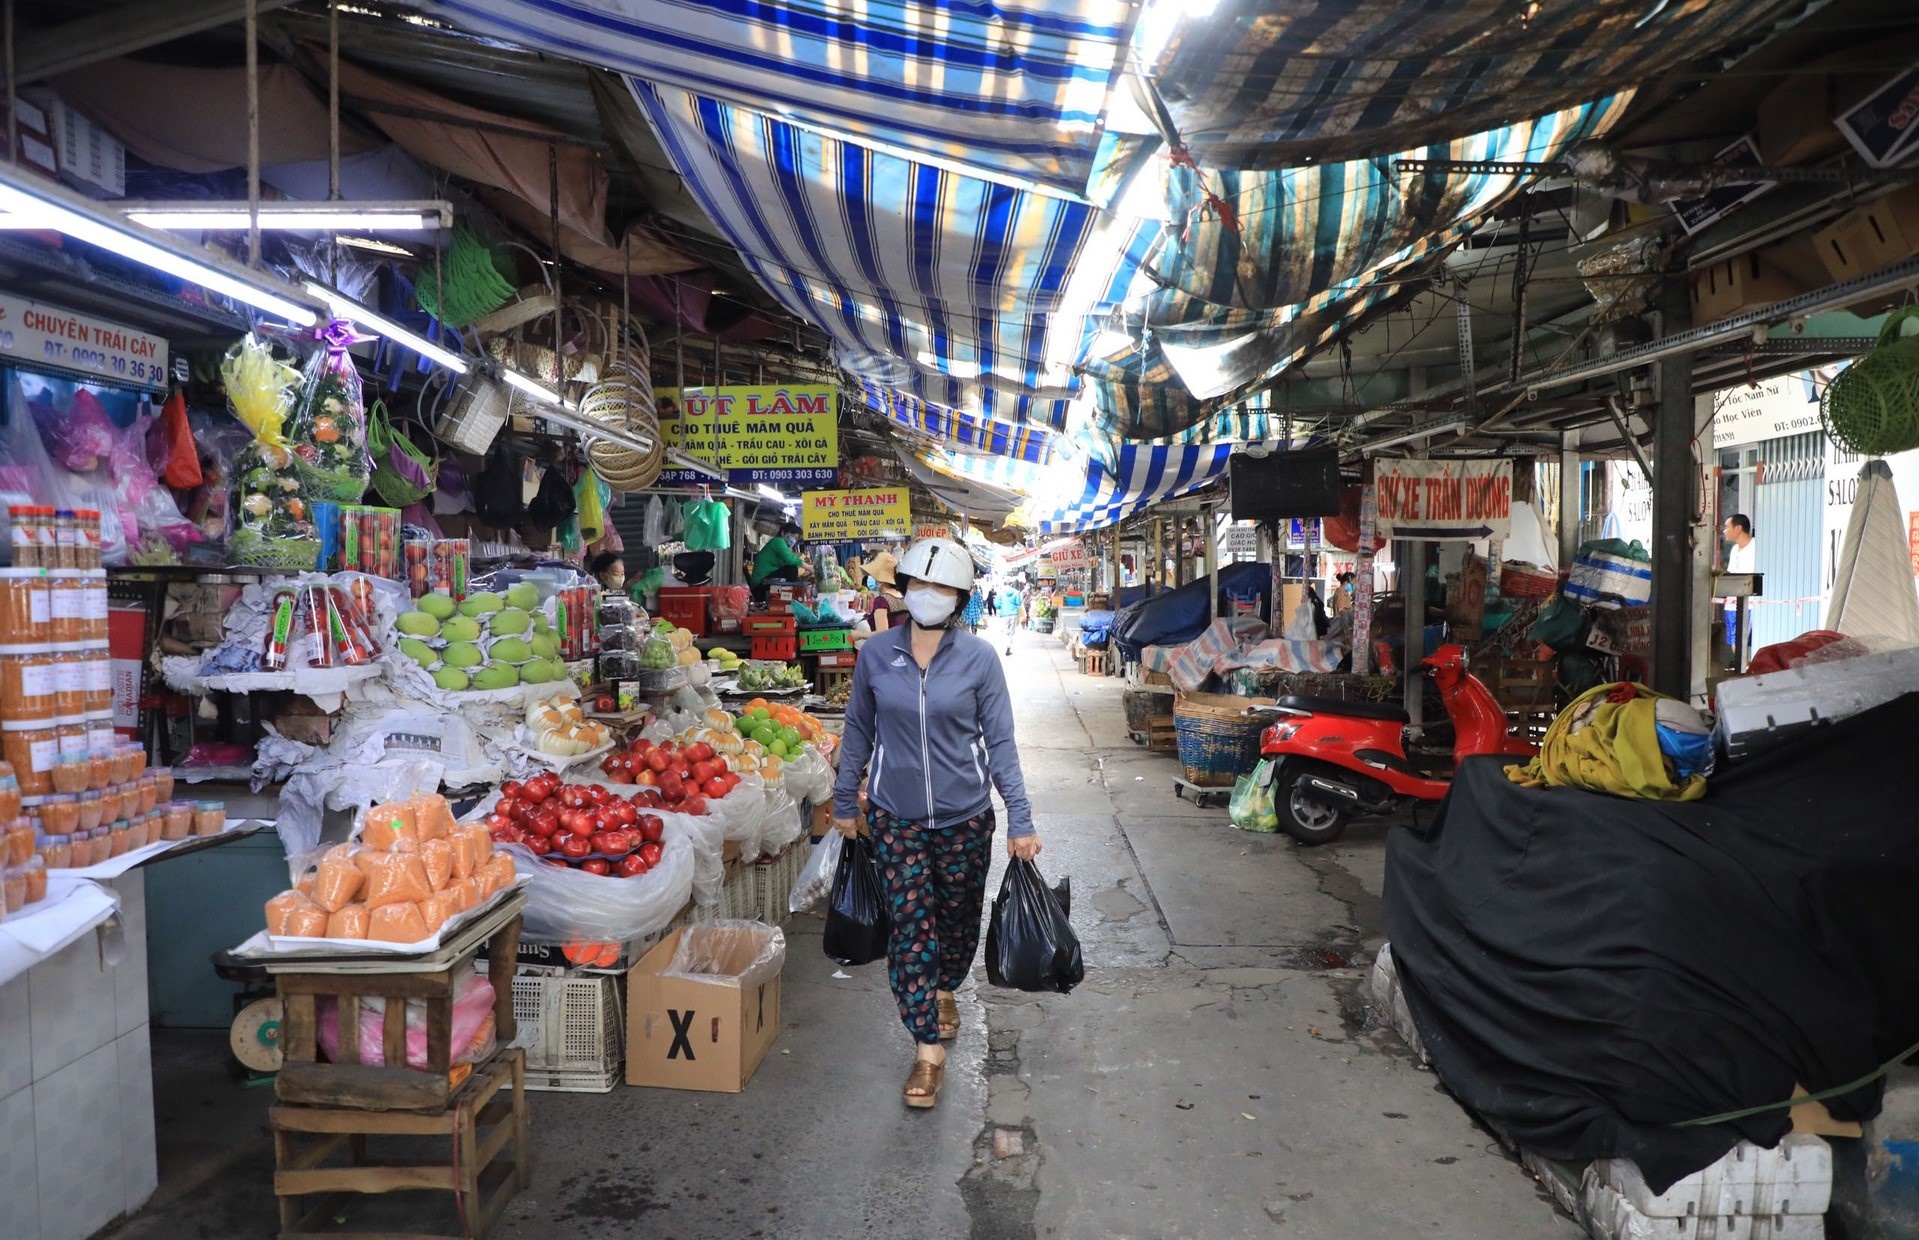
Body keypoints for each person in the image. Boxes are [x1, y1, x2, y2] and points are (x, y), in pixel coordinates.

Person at [830, 537, 1040, 1110]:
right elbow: (857, 733)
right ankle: (927, 1049)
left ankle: (946, 985)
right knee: (910, 926)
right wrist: (844, 799)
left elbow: (1000, 744)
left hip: (966, 817)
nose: (929, 596)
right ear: (902, 590)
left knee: (956, 920)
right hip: (896, 818)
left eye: (942, 587)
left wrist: (1019, 818)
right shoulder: (876, 655)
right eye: (919, 585)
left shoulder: (979, 660)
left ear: (960, 598)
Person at [1722, 514, 1757, 659]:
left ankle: (1748, 671)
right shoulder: (1735, 549)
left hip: (1749, 604)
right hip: (1732, 604)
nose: (1724, 531)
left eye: (1726, 527)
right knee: (1735, 644)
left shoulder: (1756, 547)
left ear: (1738, 528)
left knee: (1742, 643)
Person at [750, 520, 812, 601]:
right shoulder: (778, 541)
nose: (793, 540)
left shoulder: (784, 547)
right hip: (760, 585)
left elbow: (790, 558)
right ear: (783, 533)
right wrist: (809, 567)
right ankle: (793, 596)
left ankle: (791, 596)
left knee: (791, 568)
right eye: (792, 536)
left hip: (765, 582)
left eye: (796, 538)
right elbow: (790, 560)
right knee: (791, 568)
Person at [864, 550, 904, 632]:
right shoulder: (903, 596)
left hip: (889, 644)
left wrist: (860, 635)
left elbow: (882, 633)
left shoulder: (881, 601)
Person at [996, 579, 1022, 654]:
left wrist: (1002, 606)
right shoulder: (1016, 592)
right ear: (1011, 584)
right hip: (1014, 614)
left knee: (1005, 631)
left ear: (1004, 584)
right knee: (1011, 632)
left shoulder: (1000, 592)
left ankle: (1004, 646)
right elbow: (1018, 603)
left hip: (1004, 614)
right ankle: (1008, 647)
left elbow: (997, 605)